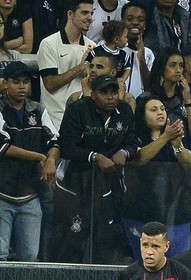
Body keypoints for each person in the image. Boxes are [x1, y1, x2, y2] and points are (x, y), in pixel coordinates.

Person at [53, 74, 135, 264]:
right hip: (76, 182)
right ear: (93, 94)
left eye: (114, 92)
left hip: (110, 183)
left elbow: (132, 140)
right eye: (104, 92)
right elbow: (66, 145)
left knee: (105, 235)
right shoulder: (78, 110)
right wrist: (95, 156)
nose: (110, 97)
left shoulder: (124, 111)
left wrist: (124, 152)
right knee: (73, 235)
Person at [0, 61, 59, 263]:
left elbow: (54, 140)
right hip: (2, 194)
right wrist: (41, 157)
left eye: (26, 82)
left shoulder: (38, 110)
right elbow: (4, 147)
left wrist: (51, 159)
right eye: (16, 82)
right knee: (0, 255)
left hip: (30, 195)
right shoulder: (1, 108)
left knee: (30, 258)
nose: (22, 86)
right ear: (5, 83)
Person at [123, 93, 191, 258]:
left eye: (162, 109)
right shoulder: (135, 136)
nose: (160, 112)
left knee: (177, 261)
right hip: (141, 211)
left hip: (175, 211)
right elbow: (140, 158)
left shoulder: (173, 135)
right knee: (146, 260)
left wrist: (177, 145)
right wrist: (165, 137)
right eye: (153, 110)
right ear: (142, 115)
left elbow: (188, 161)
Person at [37, 0, 96, 132]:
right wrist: (80, 67)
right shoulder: (49, 44)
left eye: (91, 13)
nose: (90, 18)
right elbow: (50, 84)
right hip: (55, 118)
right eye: (84, 13)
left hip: (84, 119)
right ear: (70, 14)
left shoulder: (92, 46)